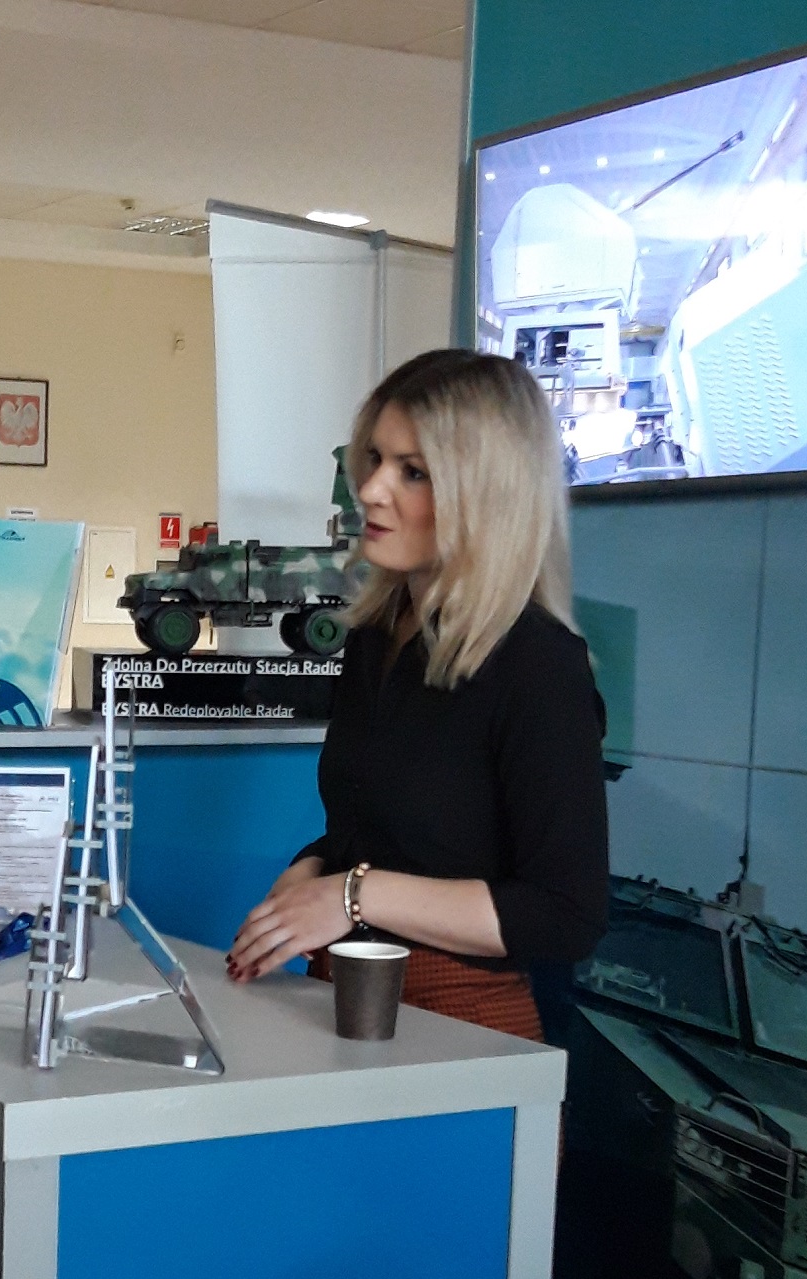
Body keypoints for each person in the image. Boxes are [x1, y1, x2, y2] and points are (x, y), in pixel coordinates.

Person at [226, 349, 609, 1041]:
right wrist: (312, 871)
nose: (371, 490)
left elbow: (564, 914)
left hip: (463, 1030)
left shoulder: (539, 664)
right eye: (374, 459)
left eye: (413, 472)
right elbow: (400, 834)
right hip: (348, 1005)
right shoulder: (377, 637)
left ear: (484, 494)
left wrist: (351, 894)